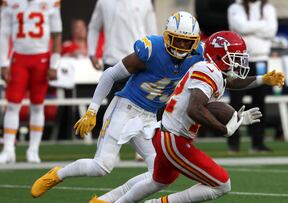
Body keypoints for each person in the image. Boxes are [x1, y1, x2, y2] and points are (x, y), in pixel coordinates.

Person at [30, 11, 204, 198]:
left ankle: (107, 200)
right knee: (101, 166)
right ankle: (57, 174)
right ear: (167, 37)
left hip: (149, 117)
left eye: (187, 41)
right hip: (125, 108)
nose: (183, 46)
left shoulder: (198, 56)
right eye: (178, 40)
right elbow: (110, 74)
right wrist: (92, 111)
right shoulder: (151, 50)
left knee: (158, 174)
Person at [110, 31, 284, 203]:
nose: (238, 62)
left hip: (167, 135)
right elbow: (194, 109)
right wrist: (226, 129)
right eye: (234, 57)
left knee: (159, 181)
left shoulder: (213, 71)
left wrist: (261, 80)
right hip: (174, 139)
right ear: (218, 56)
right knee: (222, 184)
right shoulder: (208, 71)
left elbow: (231, 82)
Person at [0, 0, 62, 164]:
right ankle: (8, 149)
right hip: (18, 58)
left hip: (41, 58)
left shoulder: (50, 3)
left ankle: (33, 149)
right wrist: (3, 62)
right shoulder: (10, 2)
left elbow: (56, 35)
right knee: (12, 104)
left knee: (37, 105)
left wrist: (54, 64)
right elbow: (3, 32)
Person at [87, 0, 158, 142]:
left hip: (139, 60)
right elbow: (94, 27)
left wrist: (154, 60)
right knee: (112, 108)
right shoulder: (104, 2)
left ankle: (142, 149)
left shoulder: (144, 2)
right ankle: (107, 146)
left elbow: (153, 33)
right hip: (113, 60)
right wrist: (91, 52)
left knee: (144, 107)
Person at [227, 0, 278, 153]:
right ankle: (233, 143)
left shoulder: (268, 8)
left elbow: (272, 31)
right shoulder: (235, 7)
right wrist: (262, 25)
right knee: (236, 102)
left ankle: (258, 143)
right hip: (239, 60)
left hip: (261, 59)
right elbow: (240, 27)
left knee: (260, 102)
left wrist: (250, 28)